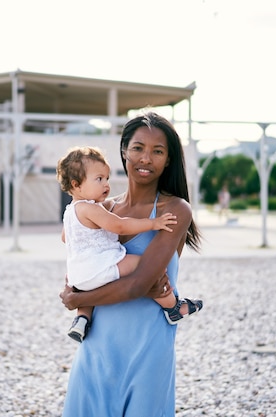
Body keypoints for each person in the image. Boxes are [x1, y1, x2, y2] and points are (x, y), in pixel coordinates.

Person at [59, 112, 203, 416]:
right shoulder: (102, 210)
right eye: (138, 148)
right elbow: (80, 262)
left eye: (158, 151)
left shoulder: (174, 209)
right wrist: (77, 290)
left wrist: (77, 299)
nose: (146, 158)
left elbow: (142, 284)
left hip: (148, 348)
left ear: (168, 160)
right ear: (124, 150)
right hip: (97, 345)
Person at [56, 146, 203, 342]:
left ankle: (82, 319)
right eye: (99, 179)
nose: (106, 184)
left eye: (107, 178)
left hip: (78, 276)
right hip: (102, 265)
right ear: (76, 185)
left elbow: (65, 238)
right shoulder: (90, 209)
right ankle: (172, 307)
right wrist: (153, 223)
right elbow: (119, 226)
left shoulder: (70, 211)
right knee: (145, 266)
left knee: (89, 286)